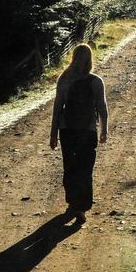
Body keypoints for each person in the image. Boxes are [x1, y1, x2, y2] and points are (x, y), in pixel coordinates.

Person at [49, 44, 108, 224]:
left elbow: (58, 107)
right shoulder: (96, 81)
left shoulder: (65, 79)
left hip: (67, 130)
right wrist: (104, 130)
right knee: (85, 170)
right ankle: (81, 208)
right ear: (90, 59)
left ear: (73, 58)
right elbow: (102, 108)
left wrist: (53, 134)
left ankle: (72, 204)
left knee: (70, 168)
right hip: (87, 131)